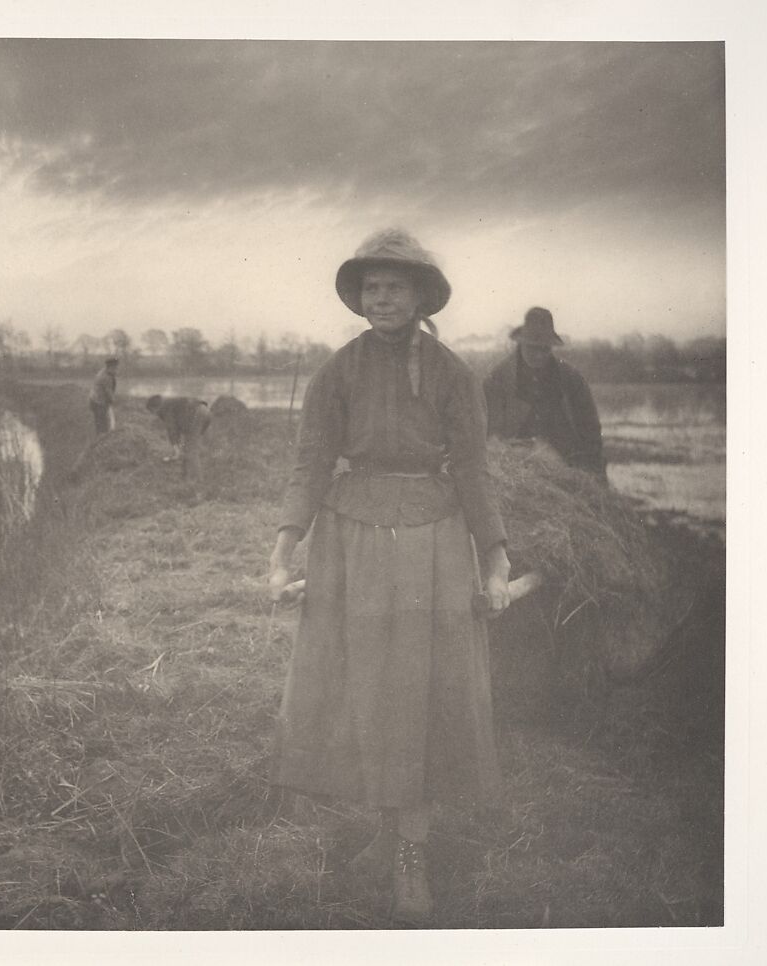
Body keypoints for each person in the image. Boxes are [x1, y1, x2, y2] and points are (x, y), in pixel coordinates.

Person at [266, 228, 511, 926]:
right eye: (371, 288)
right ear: (359, 297)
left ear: (420, 296)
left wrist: (494, 559)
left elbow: (472, 470)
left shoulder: (454, 376)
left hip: (431, 545)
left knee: (418, 689)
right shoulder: (335, 373)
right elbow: (311, 462)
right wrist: (284, 548)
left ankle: (413, 855)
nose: (382, 299)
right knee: (364, 686)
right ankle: (385, 828)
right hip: (349, 544)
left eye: (394, 288)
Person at [482, 307, 606, 479]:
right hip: (514, 470)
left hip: (566, 467)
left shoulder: (572, 379)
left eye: (545, 349)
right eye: (533, 348)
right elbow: (487, 434)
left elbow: (590, 431)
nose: (539, 355)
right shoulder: (497, 379)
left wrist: (597, 476)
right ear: (521, 343)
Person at [145, 394, 212, 479]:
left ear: (155, 408)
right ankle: (186, 477)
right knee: (188, 448)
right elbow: (177, 426)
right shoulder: (170, 403)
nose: (154, 415)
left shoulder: (165, 408)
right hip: (204, 412)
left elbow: (172, 428)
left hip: (197, 415)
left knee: (190, 450)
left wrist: (175, 448)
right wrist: (178, 445)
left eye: (152, 412)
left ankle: (197, 481)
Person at [88, 356, 119, 435]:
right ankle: (102, 440)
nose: (116, 370)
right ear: (109, 367)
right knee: (102, 424)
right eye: (114, 368)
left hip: (97, 400)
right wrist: (114, 401)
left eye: (116, 367)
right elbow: (109, 392)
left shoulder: (106, 372)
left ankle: (101, 437)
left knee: (101, 422)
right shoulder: (105, 377)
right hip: (98, 402)